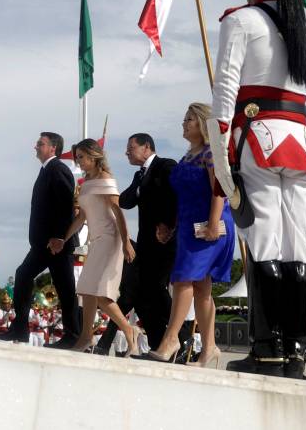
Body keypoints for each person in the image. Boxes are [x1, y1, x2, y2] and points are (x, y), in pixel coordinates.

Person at [207, 0, 306, 378]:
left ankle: (267, 346)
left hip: (258, 139)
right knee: (297, 242)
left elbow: (223, 101)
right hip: (301, 140)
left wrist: (222, 168)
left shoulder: (241, 20)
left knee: (264, 238)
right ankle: (295, 347)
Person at [142, 103, 234, 368]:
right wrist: (171, 226)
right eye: (184, 119)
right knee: (201, 288)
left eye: (189, 119)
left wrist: (214, 223)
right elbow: (181, 197)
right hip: (187, 227)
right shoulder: (186, 157)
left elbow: (219, 189)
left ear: (202, 123)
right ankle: (209, 347)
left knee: (182, 279)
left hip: (210, 223)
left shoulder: (210, 152)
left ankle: (171, 338)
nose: (184, 123)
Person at [48, 139, 138, 354]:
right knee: (86, 289)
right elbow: (82, 217)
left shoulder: (106, 179)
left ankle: (129, 330)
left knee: (101, 295)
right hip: (97, 241)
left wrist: (126, 241)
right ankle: (86, 337)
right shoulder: (86, 182)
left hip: (111, 239)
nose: (78, 161)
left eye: (81, 157)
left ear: (93, 156)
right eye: (76, 157)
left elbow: (117, 212)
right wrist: (63, 238)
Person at [0, 133, 79, 346]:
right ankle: (20, 329)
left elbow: (65, 205)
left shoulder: (58, 169)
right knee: (23, 275)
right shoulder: (46, 170)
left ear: (53, 148)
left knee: (66, 289)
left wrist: (59, 236)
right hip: (43, 245)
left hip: (57, 244)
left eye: (40, 144)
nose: (36, 146)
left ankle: (73, 335)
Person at [118, 133, 178, 351]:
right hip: (145, 245)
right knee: (143, 296)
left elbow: (176, 195)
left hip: (165, 241)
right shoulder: (139, 175)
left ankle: (181, 336)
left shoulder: (166, 166)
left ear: (146, 147)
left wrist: (168, 224)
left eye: (130, 147)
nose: (126, 152)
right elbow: (125, 202)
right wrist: (138, 185)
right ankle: (157, 344)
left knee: (157, 288)